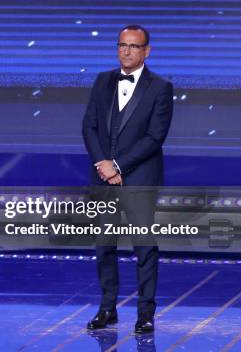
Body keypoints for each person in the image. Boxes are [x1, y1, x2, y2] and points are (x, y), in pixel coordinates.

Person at [82, 25, 173, 333]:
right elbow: (89, 127)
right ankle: (107, 308)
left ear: (147, 51)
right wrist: (103, 165)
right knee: (104, 246)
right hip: (103, 178)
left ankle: (145, 313)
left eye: (134, 46)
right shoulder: (102, 80)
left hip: (140, 178)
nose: (126, 50)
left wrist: (118, 166)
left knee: (144, 247)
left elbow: (154, 137)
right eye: (122, 44)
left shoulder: (160, 87)